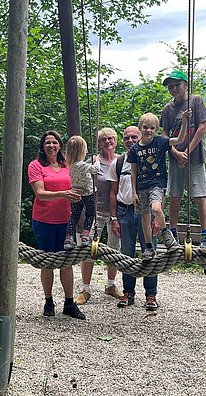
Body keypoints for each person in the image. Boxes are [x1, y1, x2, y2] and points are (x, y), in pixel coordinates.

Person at [28, 130, 85, 320]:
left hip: (66, 220)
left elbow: (81, 180)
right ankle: (48, 300)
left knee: (66, 262)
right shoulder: (36, 166)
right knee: (48, 261)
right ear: (42, 146)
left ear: (60, 145)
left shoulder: (67, 165)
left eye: (54, 142)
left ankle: (69, 302)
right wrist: (63, 194)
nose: (51, 146)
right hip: (44, 220)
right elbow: (40, 193)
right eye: (47, 143)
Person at [107, 126, 160, 310]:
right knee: (126, 253)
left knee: (150, 251)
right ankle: (128, 292)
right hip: (125, 211)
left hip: (147, 211)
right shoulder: (119, 162)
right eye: (126, 137)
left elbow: (159, 189)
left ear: (140, 137)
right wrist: (114, 218)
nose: (130, 140)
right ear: (123, 140)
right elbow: (113, 193)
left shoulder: (151, 158)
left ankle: (151, 294)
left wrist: (158, 217)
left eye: (133, 137)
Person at [161, 70, 206, 250]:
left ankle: (205, 236)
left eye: (177, 85)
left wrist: (187, 152)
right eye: (170, 86)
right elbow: (164, 135)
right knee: (174, 195)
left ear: (185, 85)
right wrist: (175, 153)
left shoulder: (196, 101)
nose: (173, 89)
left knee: (199, 196)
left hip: (195, 157)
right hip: (175, 158)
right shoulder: (168, 109)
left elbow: (202, 127)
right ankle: (173, 233)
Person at [128, 112, 190, 260]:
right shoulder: (135, 149)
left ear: (156, 130)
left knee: (156, 208)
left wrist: (185, 122)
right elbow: (133, 171)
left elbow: (180, 139)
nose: (148, 130)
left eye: (152, 128)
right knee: (144, 217)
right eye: (145, 127)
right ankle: (149, 247)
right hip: (141, 186)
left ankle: (166, 234)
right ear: (140, 128)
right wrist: (134, 192)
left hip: (157, 183)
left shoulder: (160, 142)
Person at [75, 128, 123, 305]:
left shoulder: (121, 161)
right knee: (89, 248)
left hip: (116, 212)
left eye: (110, 138)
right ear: (99, 143)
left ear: (116, 141)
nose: (107, 142)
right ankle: (85, 289)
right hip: (94, 211)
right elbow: (80, 178)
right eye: (103, 139)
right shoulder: (94, 161)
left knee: (114, 248)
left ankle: (110, 285)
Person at [63, 135, 101, 249]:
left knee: (74, 216)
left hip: (75, 194)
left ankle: (69, 238)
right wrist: (97, 160)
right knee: (90, 214)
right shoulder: (82, 165)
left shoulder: (70, 165)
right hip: (87, 193)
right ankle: (85, 235)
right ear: (82, 150)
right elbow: (96, 170)